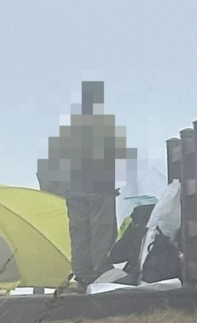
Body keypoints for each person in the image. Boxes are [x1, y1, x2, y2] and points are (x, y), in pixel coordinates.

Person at [37, 81, 131, 290]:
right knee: (101, 230)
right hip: (98, 187)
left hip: (74, 188)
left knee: (79, 233)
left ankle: (82, 273)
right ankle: (100, 271)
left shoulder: (70, 128)